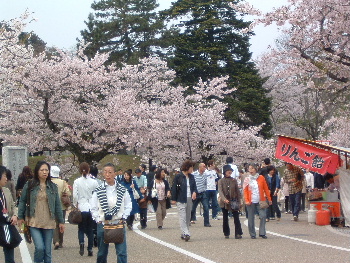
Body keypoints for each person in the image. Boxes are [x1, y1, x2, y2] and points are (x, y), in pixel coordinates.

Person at [18, 161, 65, 263]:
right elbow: (22, 201)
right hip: (34, 221)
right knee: (39, 248)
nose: (44, 172)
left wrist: (61, 221)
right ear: (37, 171)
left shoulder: (53, 187)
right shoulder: (30, 185)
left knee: (47, 252)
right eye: (42, 170)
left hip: (49, 221)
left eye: (46, 170)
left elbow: (57, 205)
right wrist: (20, 217)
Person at [90, 163, 132, 263]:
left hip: (118, 223)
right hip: (104, 223)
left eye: (110, 172)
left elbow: (128, 205)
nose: (108, 174)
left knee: (121, 252)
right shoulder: (98, 190)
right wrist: (97, 219)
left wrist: (124, 217)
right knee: (102, 253)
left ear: (115, 174)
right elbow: (93, 207)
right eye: (105, 172)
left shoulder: (122, 189)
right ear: (103, 174)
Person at [73, 162, 99, 257]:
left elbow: (75, 196)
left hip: (81, 206)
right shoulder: (94, 182)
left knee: (81, 228)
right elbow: (98, 194)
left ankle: (82, 243)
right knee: (90, 229)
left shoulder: (77, 181)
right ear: (89, 170)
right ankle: (90, 249)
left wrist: (75, 204)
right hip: (91, 207)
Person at [243, 163, 271, 239]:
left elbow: (266, 189)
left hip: (260, 200)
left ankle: (262, 232)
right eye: (249, 168)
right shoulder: (247, 179)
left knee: (263, 215)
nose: (250, 170)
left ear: (256, 169)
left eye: (252, 168)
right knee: (251, 218)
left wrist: (269, 198)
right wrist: (246, 200)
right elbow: (245, 191)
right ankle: (252, 234)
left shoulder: (261, 177)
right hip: (250, 200)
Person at [171, 160, 197, 242]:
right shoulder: (178, 177)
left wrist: (194, 192)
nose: (192, 169)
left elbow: (194, 187)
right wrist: (173, 199)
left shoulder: (192, 177)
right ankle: (186, 233)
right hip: (181, 198)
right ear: (187, 167)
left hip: (189, 198)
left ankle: (184, 233)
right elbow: (174, 188)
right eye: (191, 167)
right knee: (182, 217)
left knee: (188, 216)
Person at [218, 165, 243, 239]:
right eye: (228, 170)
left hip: (233, 200)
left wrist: (240, 201)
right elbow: (220, 191)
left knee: (236, 217)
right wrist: (224, 199)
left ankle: (238, 233)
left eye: (231, 171)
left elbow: (237, 191)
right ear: (225, 171)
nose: (230, 172)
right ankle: (226, 233)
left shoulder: (234, 180)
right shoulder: (221, 181)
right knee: (225, 217)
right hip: (224, 201)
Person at [0, 165, 18, 263]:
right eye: (4, 176)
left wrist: (15, 215)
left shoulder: (6, 191)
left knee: (10, 255)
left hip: (6, 225)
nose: (6, 179)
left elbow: (13, 206)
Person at [50, 166, 70, 250]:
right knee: (61, 223)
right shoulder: (63, 182)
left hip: (51, 205)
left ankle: (56, 241)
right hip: (61, 205)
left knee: (54, 224)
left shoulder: (49, 182)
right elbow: (68, 193)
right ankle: (61, 242)